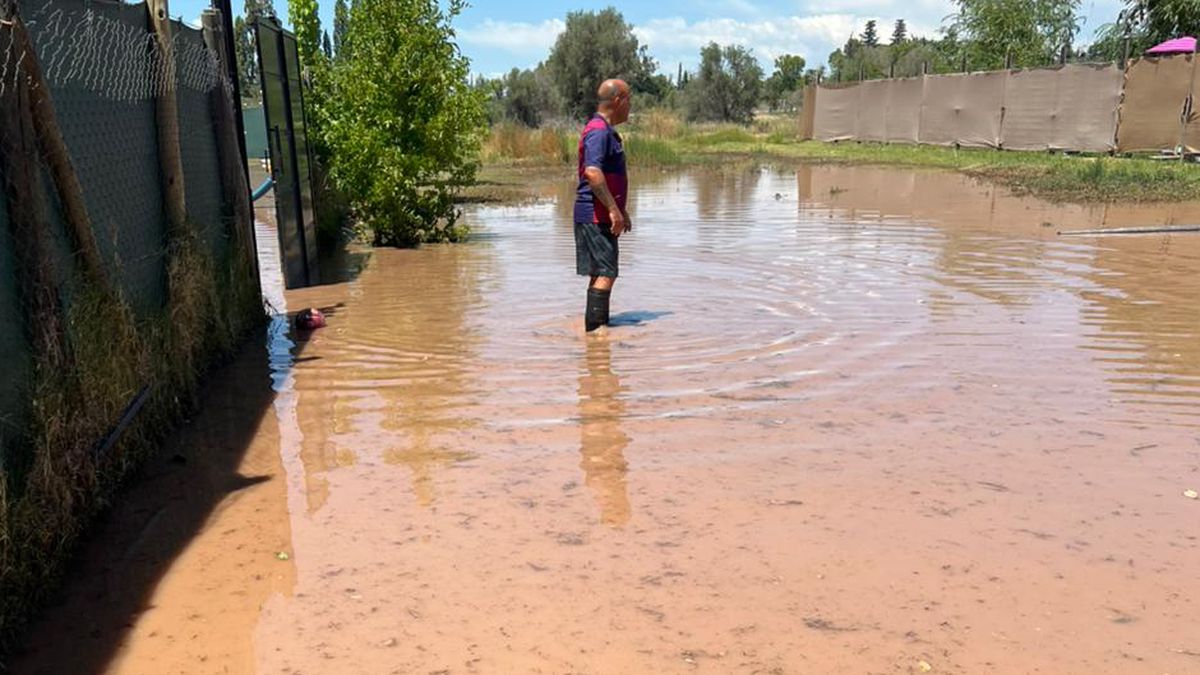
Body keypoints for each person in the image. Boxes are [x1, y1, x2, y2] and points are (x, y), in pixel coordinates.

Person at [574, 78, 632, 332]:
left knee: (599, 273)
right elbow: (593, 172)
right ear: (618, 100)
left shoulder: (602, 130)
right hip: (596, 215)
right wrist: (611, 209)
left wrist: (621, 210)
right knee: (607, 273)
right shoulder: (598, 131)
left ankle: (596, 332)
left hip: (597, 214)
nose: (631, 106)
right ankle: (597, 334)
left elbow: (605, 176)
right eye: (629, 100)